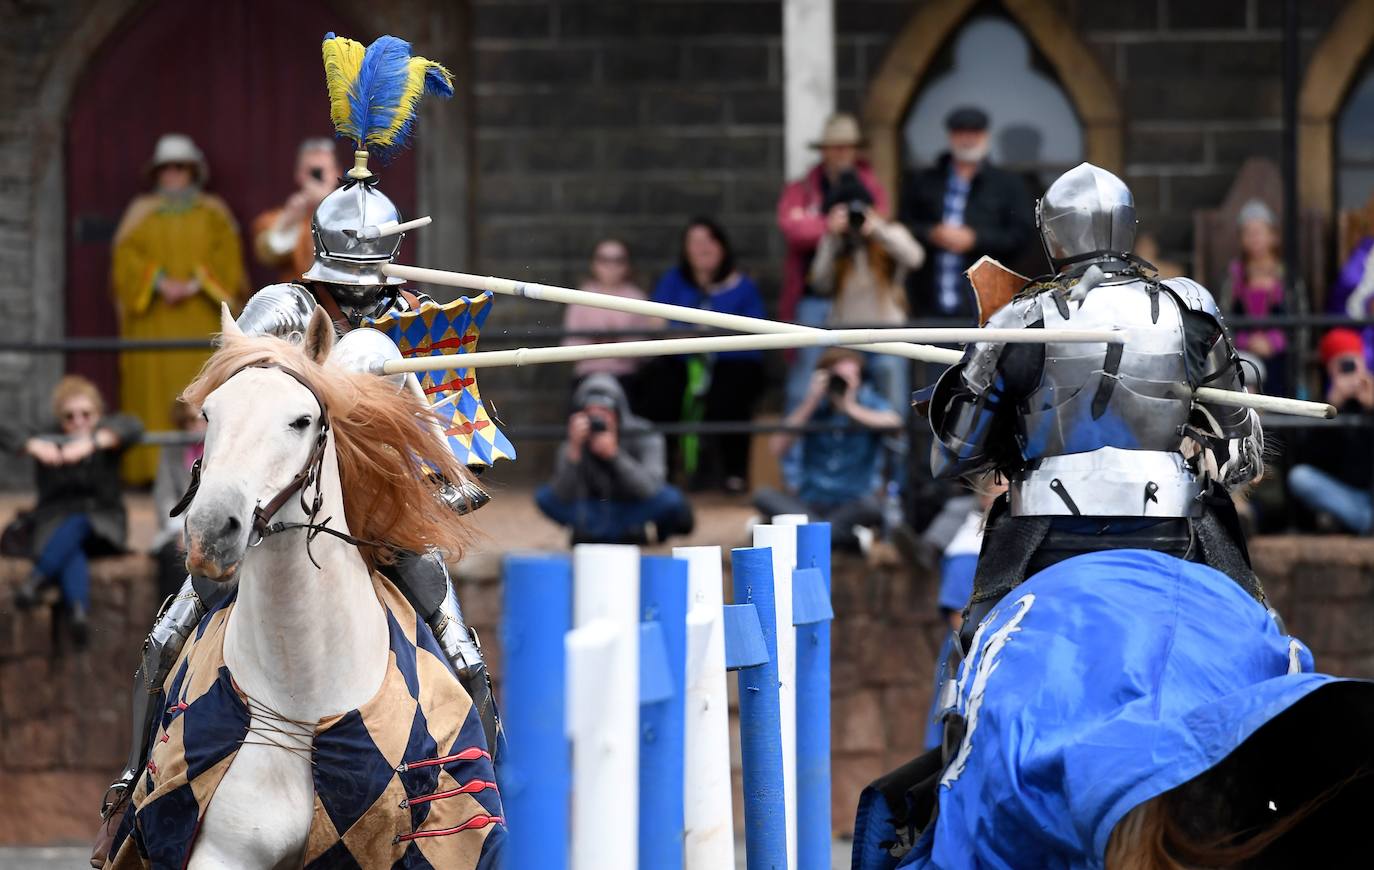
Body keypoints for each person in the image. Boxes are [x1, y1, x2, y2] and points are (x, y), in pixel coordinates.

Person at [95, 37, 502, 848]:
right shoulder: (281, 308)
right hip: (275, 501)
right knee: (167, 634)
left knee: (462, 651)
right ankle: (133, 787)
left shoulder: (405, 319)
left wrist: (442, 483)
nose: (358, 294)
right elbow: (239, 395)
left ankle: (480, 811)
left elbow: (437, 428)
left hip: (378, 511)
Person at [926, 162, 1264, 644]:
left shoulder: (1018, 319)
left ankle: (963, 714)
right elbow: (1240, 458)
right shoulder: (1189, 307)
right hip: (1169, 525)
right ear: (1128, 225)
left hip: (1046, 533)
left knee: (977, 644)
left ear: (1051, 231)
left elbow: (952, 457)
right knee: (1256, 636)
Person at [111, 133, 245, 484]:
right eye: (165, 168)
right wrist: (157, 282)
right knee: (154, 397)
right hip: (153, 322)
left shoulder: (213, 214)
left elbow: (228, 259)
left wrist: (196, 282)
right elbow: (125, 261)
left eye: (180, 168)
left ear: (193, 172)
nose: (172, 175)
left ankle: (209, 467)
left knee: (203, 391)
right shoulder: (140, 214)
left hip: (201, 320)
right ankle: (150, 474)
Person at [2, 376, 142, 647]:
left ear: (98, 414)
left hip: (103, 527)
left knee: (79, 524)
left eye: (86, 415)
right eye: (70, 417)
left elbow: (134, 425)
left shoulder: (107, 438)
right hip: (55, 527)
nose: (79, 422)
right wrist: (31, 444)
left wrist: (94, 442)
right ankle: (78, 611)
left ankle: (37, 579)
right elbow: (6, 428)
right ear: (60, 420)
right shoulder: (49, 436)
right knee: (71, 549)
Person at [777, 113, 891, 410]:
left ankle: (886, 453)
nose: (841, 153)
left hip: (862, 298)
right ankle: (798, 454)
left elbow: (882, 225)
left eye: (847, 146)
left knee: (878, 376)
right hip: (816, 294)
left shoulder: (871, 186)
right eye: (835, 146)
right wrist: (828, 226)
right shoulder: (802, 188)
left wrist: (817, 222)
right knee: (805, 379)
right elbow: (791, 229)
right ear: (824, 150)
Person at [648, 218, 767, 491]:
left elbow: (755, 331)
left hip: (731, 362)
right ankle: (663, 471)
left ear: (722, 246)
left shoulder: (743, 285)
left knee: (730, 397)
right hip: (681, 358)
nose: (702, 248)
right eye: (695, 242)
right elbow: (654, 323)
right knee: (660, 392)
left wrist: (708, 336)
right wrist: (691, 336)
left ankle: (732, 474)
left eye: (709, 241)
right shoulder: (674, 280)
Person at [753, 349, 903, 552]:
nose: (844, 383)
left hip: (854, 503)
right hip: (811, 502)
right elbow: (777, 447)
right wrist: (812, 400)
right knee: (763, 495)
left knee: (872, 506)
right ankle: (845, 538)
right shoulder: (812, 407)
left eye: (851, 377)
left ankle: (806, 535)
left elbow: (895, 424)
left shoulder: (868, 402)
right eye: (838, 377)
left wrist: (849, 407)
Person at [899, 106, 1034, 319]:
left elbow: (1022, 237)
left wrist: (975, 239)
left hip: (990, 308)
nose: (968, 139)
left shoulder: (1008, 184)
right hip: (926, 307)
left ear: (985, 136)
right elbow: (902, 226)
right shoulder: (924, 181)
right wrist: (932, 233)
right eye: (961, 132)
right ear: (950, 136)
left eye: (974, 132)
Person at [809, 168, 925, 413]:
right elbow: (819, 283)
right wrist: (832, 239)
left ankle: (896, 448)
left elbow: (915, 258)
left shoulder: (888, 233)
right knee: (844, 402)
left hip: (888, 335)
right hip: (846, 337)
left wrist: (876, 229)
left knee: (891, 397)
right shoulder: (835, 243)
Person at [536, 374, 695, 544]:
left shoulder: (644, 433)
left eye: (604, 411)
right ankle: (604, 530)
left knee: (672, 499)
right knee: (544, 496)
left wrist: (615, 455)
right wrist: (574, 452)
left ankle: (613, 530)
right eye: (590, 413)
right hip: (593, 509)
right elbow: (561, 495)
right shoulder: (574, 440)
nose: (598, 419)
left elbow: (651, 488)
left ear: (619, 412)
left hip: (634, 506)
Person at [1287, 328, 1374, 534]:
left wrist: (1371, 409)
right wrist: (1333, 407)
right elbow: (1310, 458)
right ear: (1329, 368)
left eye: (1353, 362)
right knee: (1300, 477)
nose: (1350, 370)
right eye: (1342, 365)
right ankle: (1365, 523)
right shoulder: (1322, 399)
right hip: (1345, 494)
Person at [560, 238, 660, 412]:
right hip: (587, 376)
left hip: (626, 378)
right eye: (604, 260)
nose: (611, 267)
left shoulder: (637, 298)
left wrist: (611, 340)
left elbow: (645, 350)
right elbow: (569, 345)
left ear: (627, 265)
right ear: (594, 263)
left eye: (618, 261)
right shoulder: (578, 297)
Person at [251, 138, 340, 283]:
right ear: (299, 174)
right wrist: (287, 221)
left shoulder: (352, 213)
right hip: (297, 299)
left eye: (322, 171)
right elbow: (266, 254)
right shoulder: (282, 216)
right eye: (312, 172)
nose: (318, 178)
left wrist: (328, 206)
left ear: (337, 173)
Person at [1223, 199, 1288, 396]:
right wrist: (1247, 341)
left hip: (1280, 356)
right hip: (1243, 351)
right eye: (1248, 233)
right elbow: (1224, 317)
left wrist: (1272, 343)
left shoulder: (1287, 277)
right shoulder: (1234, 276)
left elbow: (1297, 323)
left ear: (1273, 236)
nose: (1254, 238)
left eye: (1259, 232)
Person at [150, 399, 204, 601]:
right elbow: (164, 497)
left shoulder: (224, 448)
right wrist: (183, 531)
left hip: (215, 530)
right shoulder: (172, 448)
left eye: (202, 419)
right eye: (189, 420)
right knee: (173, 557)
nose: (197, 425)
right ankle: (169, 623)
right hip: (179, 532)